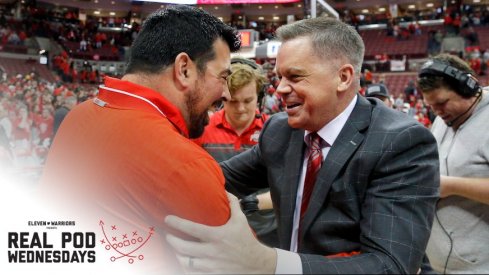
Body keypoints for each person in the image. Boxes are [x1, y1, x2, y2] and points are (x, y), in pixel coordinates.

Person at [165, 17, 440, 274]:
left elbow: (389, 264)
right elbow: (215, 178)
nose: (279, 89)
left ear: (343, 77)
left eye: (294, 77)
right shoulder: (280, 130)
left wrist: (269, 263)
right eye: (280, 77)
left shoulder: (401, 143)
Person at [40, 5, 240, 274]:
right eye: (224, 76)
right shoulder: (184, 162)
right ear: (184, 69)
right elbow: (243, 265)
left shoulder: (78, 115)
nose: (227, 93)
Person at [193, 57, 278, 247]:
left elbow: (290, 187)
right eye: (233, 101)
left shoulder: (275, 132)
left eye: (248, 101)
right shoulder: (202, 130)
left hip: (267, 235)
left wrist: (251, 203)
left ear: (260, 98)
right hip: (217, 233)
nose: (240, 109)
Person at [417, 53, 489, 273]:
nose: (437, 111)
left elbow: (445, 182)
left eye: (442, 103)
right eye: (431, 106)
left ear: (468, 86)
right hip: (442, 264)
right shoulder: (444, 118)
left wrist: (450, 186)